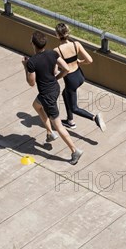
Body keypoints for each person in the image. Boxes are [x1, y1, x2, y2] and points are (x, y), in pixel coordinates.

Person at [22, 30, 83, 165]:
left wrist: (26, 67)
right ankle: (50, 133)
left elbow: (31, 83)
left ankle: (75, 151)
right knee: (36, 105)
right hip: (55, 89)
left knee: (59, 125)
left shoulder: (32, 62)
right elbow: (66, 68)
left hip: (47, 95)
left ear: (33, 44)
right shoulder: (53, 53)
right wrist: (56, 78)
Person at [54, 23, 106, 132]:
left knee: (74, 108)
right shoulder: (76, 44)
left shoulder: (57, 50)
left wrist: (55, 78)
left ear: (57, 35)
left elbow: (60, 70)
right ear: (68, 32)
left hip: (70, 80)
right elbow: (90, 60)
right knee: (65, 93)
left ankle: (94, 118)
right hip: (80, 76)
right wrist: (79, 62)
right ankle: (70, 121)